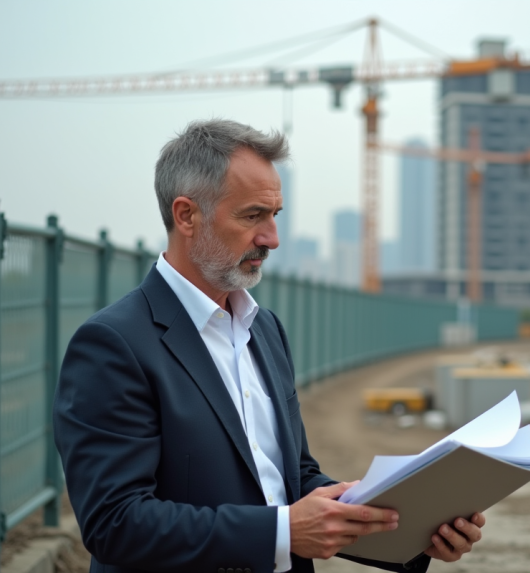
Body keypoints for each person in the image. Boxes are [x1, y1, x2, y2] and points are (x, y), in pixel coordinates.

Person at [53, 119, 485, 573]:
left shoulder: (265, 329)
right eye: (252, 215)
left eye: (274, 216)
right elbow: (114, 523)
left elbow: (291, 481)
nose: (271, 238)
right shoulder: (114, 344)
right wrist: (283, 532)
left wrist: (409, 529)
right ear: (186, 215)